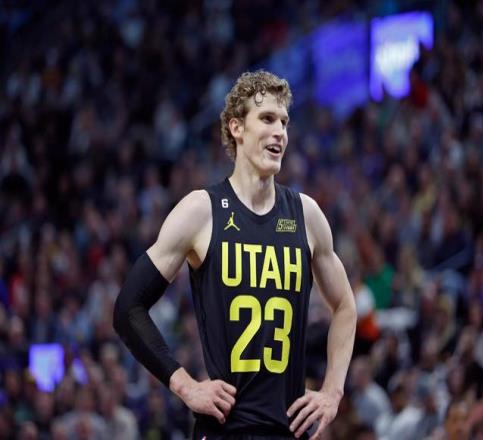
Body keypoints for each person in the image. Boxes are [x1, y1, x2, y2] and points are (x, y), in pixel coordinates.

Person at [113, 70, 357, 439]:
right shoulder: (201, 210)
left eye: (284, 122)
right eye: (267, 119)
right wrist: (184, 385)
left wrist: (333, 391)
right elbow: (128, 308)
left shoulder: (306, 215)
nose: (280, 132)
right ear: (237, 128)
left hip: (286, 430)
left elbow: (345, 306)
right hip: (225, 429)